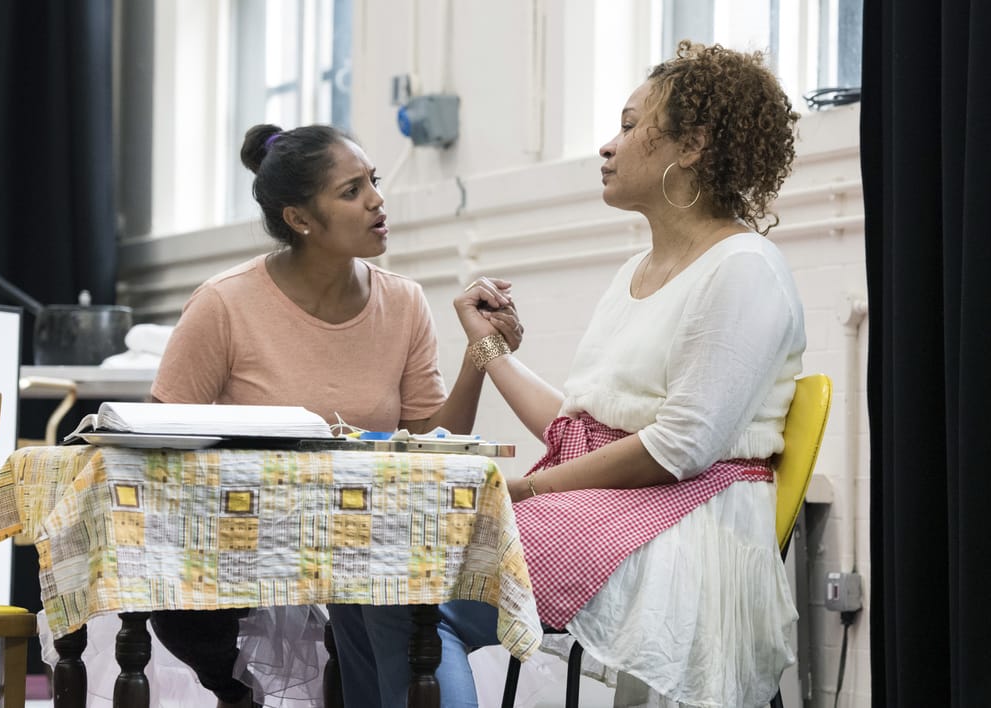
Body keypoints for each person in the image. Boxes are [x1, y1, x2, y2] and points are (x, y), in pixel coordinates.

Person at [361, 40, 806, 708]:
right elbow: (582, 425)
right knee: (379, 564)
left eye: (629, 127)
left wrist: (528, 489)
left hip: (687, 520)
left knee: (410, 574)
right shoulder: (637, 270)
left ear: (689, 146)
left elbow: (678, 447)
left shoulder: (743, 269)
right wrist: (490, 352)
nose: (607, 146)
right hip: (624, 502)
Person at [147, 123, 521, 708]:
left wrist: (480, 354)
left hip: (362, 536)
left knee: (391, 590)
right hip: (244, 535)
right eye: (351, 191)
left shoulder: (403, 301)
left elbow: (433, 442)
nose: (377, 199)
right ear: (300, 218)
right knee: (180, 610)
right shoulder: (224, 303)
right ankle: (235, 692)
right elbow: (157, 436)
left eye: (373, 181)